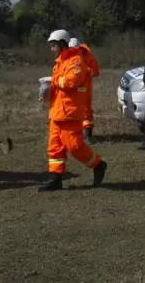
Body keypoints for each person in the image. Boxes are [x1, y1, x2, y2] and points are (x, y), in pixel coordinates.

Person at [40, 29, 107, 191]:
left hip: (70, 112)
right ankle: (55, 178)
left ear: (62, 44)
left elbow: (71, 82)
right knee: (54, 147)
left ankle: (98, 164)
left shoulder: (76, 61)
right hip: (57, 111)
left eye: (53, 45)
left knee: (75, 147)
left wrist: (54, 81)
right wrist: (46, 92)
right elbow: (58, 87)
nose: (52, 49)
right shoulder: (59, 62)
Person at [69, 37, 101, 144]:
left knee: (86, 110)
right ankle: (74, 135)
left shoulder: (88, 55)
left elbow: (96, 71)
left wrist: (84, 70)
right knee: (71, 111)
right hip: (72, 87)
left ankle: (88, 136)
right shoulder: (68, 54)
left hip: (84, 88)